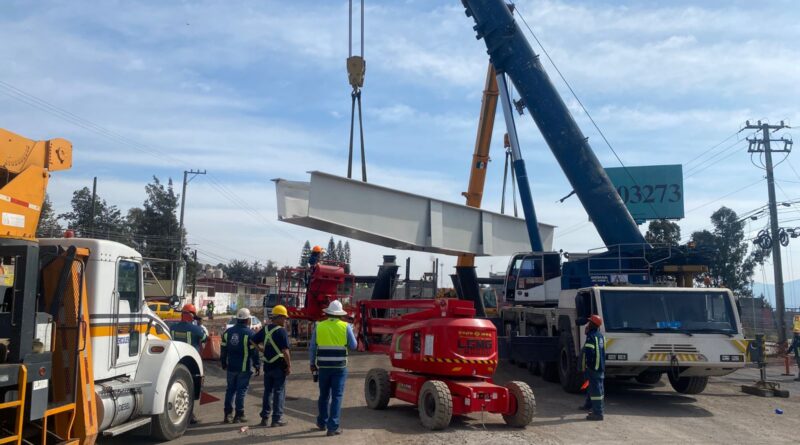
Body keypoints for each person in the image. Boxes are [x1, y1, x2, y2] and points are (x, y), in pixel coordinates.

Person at [310, 300, 357, 436]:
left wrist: (312, 364)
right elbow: (354, 345)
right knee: (336, 396)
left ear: (328, 313)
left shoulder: (319, 326)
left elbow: (313, 347)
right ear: (340, 314)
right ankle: (333, 427)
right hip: (339, 367)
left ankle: (322, 423)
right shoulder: (345, 326)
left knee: (323, 395)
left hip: (323, 367)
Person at [252, 304, 292, 427]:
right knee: (279, 392)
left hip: (268, 366)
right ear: (278, 317)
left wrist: (260, 349)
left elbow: (252, 340)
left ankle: (264, 418)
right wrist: (289, 366)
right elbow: (285, 351)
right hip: (279, 367)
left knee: (267, 392)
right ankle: (276, 419)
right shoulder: (281, 331)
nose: (285, 321)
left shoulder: (265, 329)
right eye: (284, 318)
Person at [220, 308, 260, 424]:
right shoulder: (250, 334)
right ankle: (239, 415)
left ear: (237, 319)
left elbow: (223, 350)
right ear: (247, 320)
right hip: (244, 367)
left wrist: (223, 363)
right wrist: (257, 365)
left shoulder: (228, 332)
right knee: (241, 391)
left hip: (231, 367)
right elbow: (254, 352)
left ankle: (227, 415)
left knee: (230, 390)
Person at [170, 304, 207, 424]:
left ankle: (182, 413)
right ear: (192, 316)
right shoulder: (196, 329)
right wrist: (199, 325)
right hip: (192, 364)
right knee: (190, 389)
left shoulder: (173, 327)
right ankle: (190, 415)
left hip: (176, 362)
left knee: (179, 388)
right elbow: (205, 338)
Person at [579, 315, 605, 421]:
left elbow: (589, 353)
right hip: (599, 367)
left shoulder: (591, 337)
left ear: (592, 324)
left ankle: (598, 413)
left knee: (595, 391)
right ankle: (590, 406)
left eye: (589, 322)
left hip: (593, 368)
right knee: (595, 388)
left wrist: (588, 366)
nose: (587, 324)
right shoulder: (599, 335)